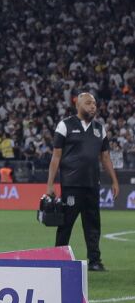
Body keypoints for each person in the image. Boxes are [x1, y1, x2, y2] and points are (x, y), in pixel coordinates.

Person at [46, 92, 120, 271]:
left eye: (94, 104)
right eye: (88, 103)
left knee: (93, 225)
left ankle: (95, 261)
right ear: (78, 106)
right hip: (71, 184)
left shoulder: (99, 128)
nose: (93, 106)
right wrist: (50, 184)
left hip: (92, 185)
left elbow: (105, 157)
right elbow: (56, 156)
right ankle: (58, 259)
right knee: (66, 224)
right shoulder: (65, 125)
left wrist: (114, 181)